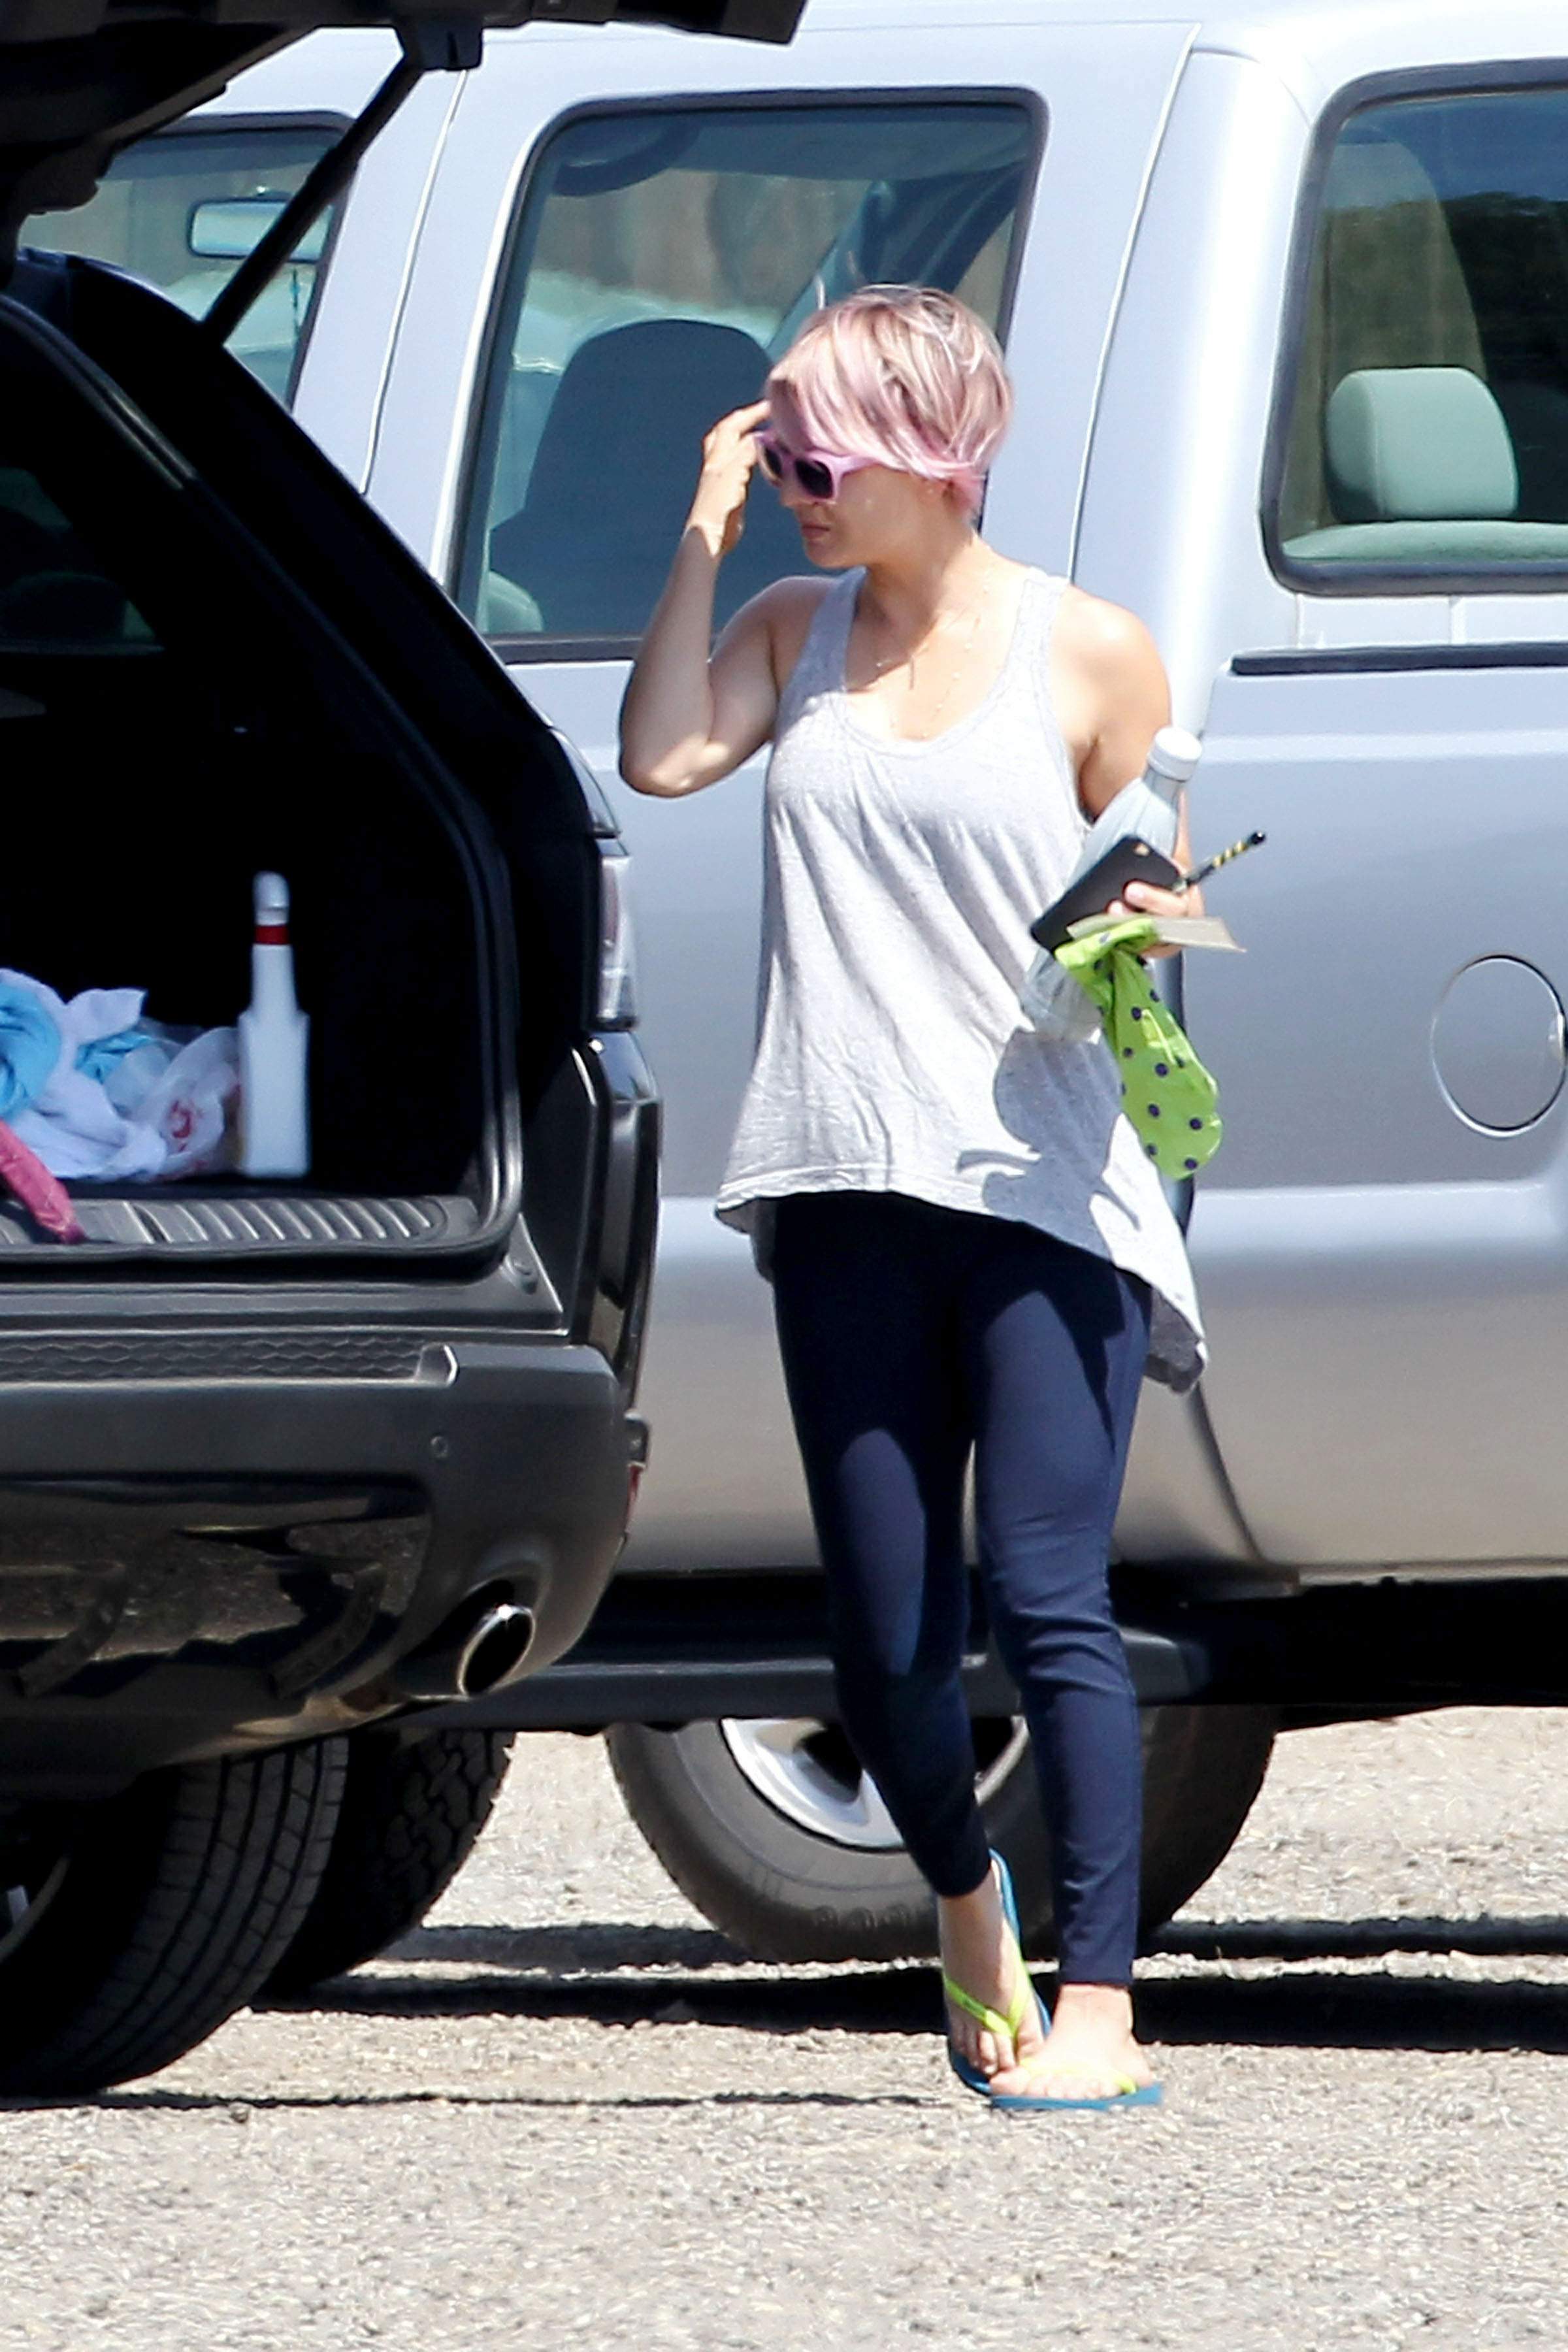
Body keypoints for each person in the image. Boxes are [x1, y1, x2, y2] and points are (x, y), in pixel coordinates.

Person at [619, 285, 1206, 2111]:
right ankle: (966, 1896)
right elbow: (659, 757)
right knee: (883, 1646)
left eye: (818, 462)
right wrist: (703, 536)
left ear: (936, 457)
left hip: (1043, 1190)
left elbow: (1167, 892)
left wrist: (1142, 921)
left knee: (1047, 1593)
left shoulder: (1091, 652)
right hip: (840, 1178)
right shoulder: (789, 631)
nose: (794, 487)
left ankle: (1101, 2008)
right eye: (778, 458)